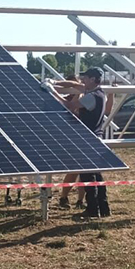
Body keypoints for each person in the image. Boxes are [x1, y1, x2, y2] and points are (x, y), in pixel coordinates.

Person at [47, 67, 110, 217]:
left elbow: (69, 106)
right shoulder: (100, 93)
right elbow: (74, 85)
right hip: (96, 137)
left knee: (87, 176)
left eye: (86, 78)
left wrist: (52, 91)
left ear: (93, 80)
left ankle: (92, 210)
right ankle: (104, 208)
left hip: (87, 138)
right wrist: (56, 82)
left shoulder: (91, 96)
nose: (83, 80)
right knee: (97, 175)